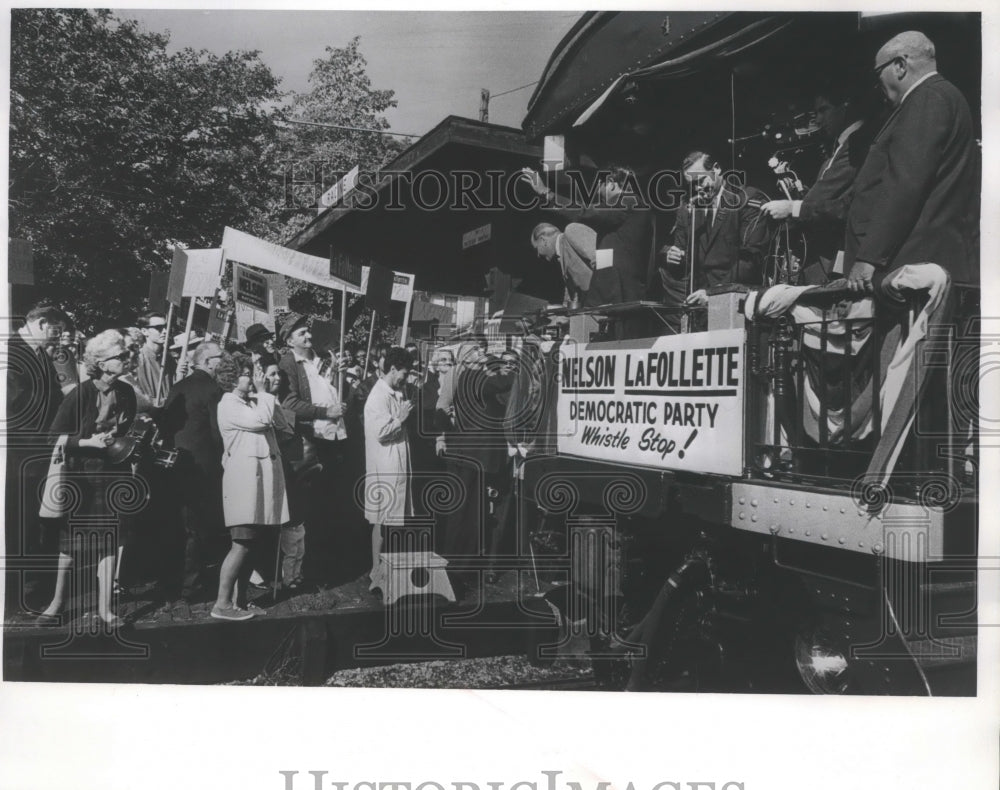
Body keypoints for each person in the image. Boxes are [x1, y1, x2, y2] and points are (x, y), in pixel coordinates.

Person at [845, 31, 979, 292]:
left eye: (877, 74)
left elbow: (905, 184)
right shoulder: (945, 97)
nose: (878, 86)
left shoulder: (926, 98)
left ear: (900, 66)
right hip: (930, 260)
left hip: (913, 266)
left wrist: (869, 256)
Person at [36, 330, 141, 627]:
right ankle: (56, 604)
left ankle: (106, 609)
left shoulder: (127, 393)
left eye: (125, 354)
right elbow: (52, 438)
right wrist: (87, 443)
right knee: (70, 545)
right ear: (100, 362)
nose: (126, 359)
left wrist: (118, 441)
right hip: (82, 476)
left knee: (109, 542)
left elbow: (124, 432)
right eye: (119, 356)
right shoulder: (81, 393)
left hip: (113, 475)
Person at [760, 84, 874, 284]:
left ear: (844, 106)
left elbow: (822, 199)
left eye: (824, 110)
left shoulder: (857, 144)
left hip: (840, 258)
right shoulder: (838, 150)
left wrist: (791, 208)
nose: (819, 119)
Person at [6, 304, 71, 614]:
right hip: (17, 458)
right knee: (14, 526)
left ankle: (24, 590)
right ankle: (11, 599)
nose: (56, 341)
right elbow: (16, 407)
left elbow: (55, 399)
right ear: (43, 323)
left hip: (38, 457)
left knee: (32, 525)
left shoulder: (41, 354)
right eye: (55, 333)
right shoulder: (11, 351)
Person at [213, 355, 290, 620]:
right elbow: (260, 421)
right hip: (243, 483)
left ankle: (240, 601)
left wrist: (264, 395)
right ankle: (221, 604)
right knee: (241, 543)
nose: (254, 377)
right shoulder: (228, 404)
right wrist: (263, 392)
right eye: (247, 373)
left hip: (257, 483)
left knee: (252, 544)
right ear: (232, 379)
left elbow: (279, 423)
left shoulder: (254, 401)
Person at [659, 151, 773, 314]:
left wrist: (714, 293)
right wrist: (672, 257)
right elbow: (683, 260)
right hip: (699, 305)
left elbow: (751, 259)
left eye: (701, 180)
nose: (697, 188)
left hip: (738, 301)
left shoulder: (746, 200)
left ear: (717, 168)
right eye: (692, 184)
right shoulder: (687, 208)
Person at [522, 165, 653, 302]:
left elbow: (584, 212)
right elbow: (620, 244)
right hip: (617, 289)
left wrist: (547, 193)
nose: (598, 194)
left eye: (600, 187)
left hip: (620, 291)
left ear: (612, 185)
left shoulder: (626, 201)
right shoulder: (633, 209)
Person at [159, 341, 225, 602]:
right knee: (195, 528)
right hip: (201, 467)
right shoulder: (212, 389)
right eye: (220, 358)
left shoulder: (179, 386)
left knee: (179, 526)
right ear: (209, 362)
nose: (223, 362)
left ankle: (172, 582)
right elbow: (218, 433)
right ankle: (191, 587)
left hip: (174, 462)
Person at [363, 347, 414, 590]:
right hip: (385, 464)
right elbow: (380, 432)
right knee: (382, 521)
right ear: (392, 369)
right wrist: (400, 419)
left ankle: (387, 570)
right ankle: (377, 571)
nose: (407, 378)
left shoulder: (396, 391)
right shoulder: (378, 396)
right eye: (404, 373)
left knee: (391, 520)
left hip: (396, 462)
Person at [531, 222, 617, 309]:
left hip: (608, 302)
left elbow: (605, 259)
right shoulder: (561, 258)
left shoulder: (572, 230)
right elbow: (571, 300)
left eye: (536, 249)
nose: (538, 254)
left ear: (543, 240)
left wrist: (608, 301)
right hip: (596, 306)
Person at [134, 312, 174, 406]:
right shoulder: (137, 359)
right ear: (144, 331)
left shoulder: (169, 359)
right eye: (159, 328)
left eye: (166, 327)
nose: (165, 331)